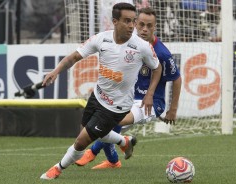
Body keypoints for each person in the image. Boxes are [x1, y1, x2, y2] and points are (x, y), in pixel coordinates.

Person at [40, 3, 162, 180]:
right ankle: (124, 141)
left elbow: (157, 68)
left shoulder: (141, 46)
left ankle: (57, 169)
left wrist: (150, 93)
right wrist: (55, 71)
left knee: (81, 142)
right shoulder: (101, 39)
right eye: (127, 21)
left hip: (117, 106)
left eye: (133, 21)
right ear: (115, 21)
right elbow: (74, 56)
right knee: (91, 132)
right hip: (97, 96)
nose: (131, 26)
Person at [75, 7, 182, 169]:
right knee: (106, 120)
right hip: (127, 98)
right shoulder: (129, 43)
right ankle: (113, 161)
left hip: (152, 102)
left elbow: (177, 79)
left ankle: (93, 152)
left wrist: (172, 110)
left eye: (149, 25)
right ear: (135, 23)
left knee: (113, 120)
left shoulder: (162, 53)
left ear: (155, 27)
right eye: (141, 24)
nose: (144, 29)